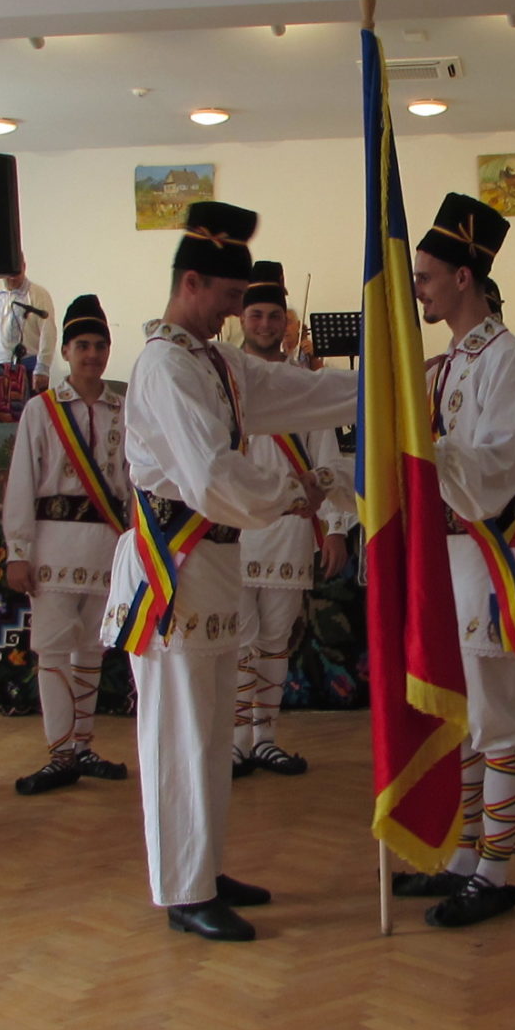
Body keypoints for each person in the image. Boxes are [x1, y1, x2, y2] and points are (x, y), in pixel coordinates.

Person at [102, 202, 358, 941]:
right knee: (179, 736)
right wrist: (292, 492)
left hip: (213, 564)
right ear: (190, 283)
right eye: (226, 298)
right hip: (174, 566)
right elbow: (211, 476)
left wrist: (381, 383)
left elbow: (293, 393)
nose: (233, 314)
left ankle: (206, 869)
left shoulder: (215, 362)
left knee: (213, 735)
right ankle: (183, 890)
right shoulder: (164, 366)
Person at [390, 192, 515, 928]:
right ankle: (465, 855)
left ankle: (495, 871)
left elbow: (497, 470)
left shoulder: (510, 360)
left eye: (426, 277)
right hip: (448, 565)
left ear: (465, 277)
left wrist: (425, 447)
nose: (419, 290)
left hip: (492, 559)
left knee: (502, 719)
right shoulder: (443, 366)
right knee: (463, 716)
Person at [0, 292, 133, 797]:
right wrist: (17, 551)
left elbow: (132, 483)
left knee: (91, 650)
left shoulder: (124, 410)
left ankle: (82, 746)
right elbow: (20, 483)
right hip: (53, 549)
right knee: (54, 651)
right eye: (83, 345)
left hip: (105, 548)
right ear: (66, 351)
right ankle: (60, 753)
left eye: (100, 345)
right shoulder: (42, 410)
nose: (92, 355)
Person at [230, 261, 352, 779]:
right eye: (256, 314)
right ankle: (235, 743)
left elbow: (328, 459)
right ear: (242, 318)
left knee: (275, 639)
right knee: (239, 640)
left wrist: (337, 529)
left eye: (273, 315)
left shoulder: (305, 383)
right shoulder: (226, 379)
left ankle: (265, 739)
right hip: (236, 529)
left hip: (291, 529)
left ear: (286, 321)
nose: (264, 324)